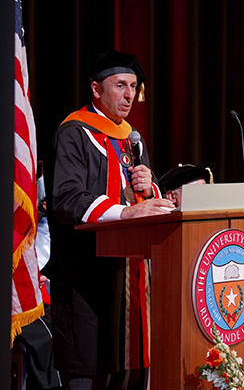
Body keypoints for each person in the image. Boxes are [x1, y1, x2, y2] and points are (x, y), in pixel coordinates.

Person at [44, 50, 175, 390]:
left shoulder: (131, 138)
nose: (130, 94)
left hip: (130, 272)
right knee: (88, 367)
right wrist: (127, 211)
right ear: (96, 89)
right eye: (120, 85)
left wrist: (150, 187)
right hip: (85, 272)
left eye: (133, 86)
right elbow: (67, 199)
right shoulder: (74, 134)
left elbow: (139, 201)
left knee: (127, 368)